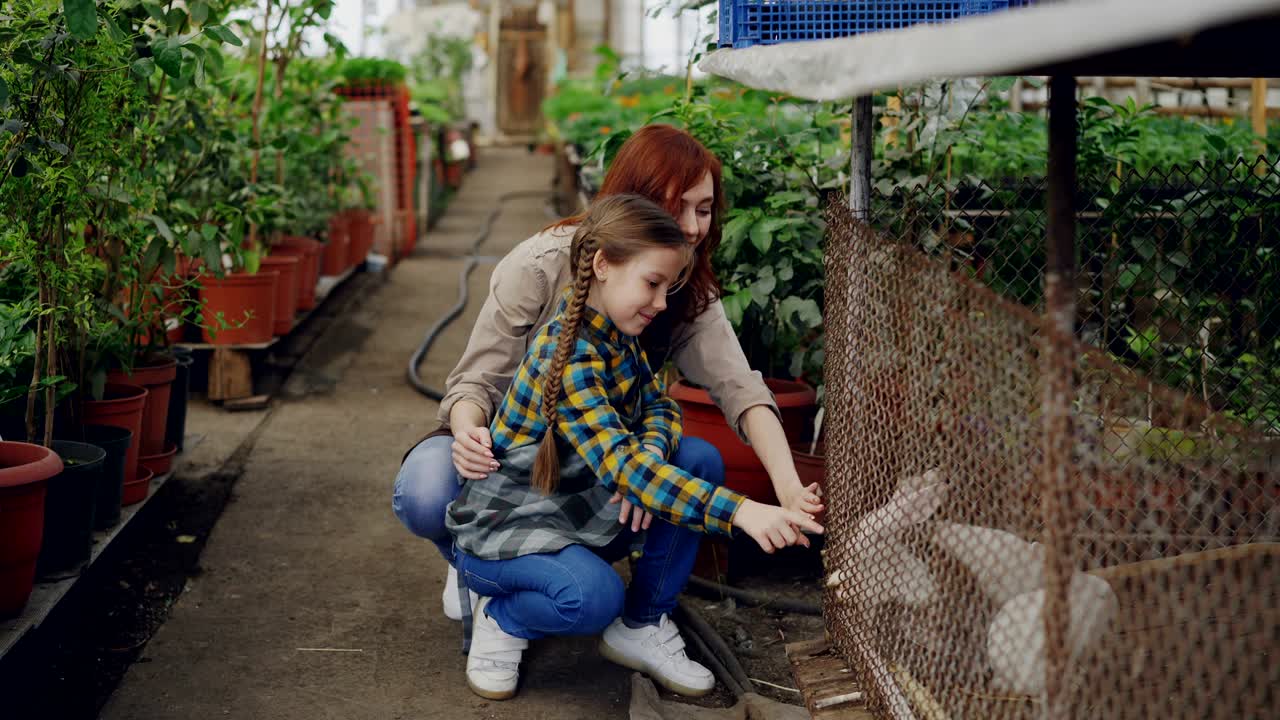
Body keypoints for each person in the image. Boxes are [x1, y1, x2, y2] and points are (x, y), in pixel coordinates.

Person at [393, 124, 824, 601]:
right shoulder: (541, 264)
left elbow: (738, 389)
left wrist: (787, 488)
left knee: (695, 460)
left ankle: (633, 617)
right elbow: (475, 380)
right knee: (426, 493)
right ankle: (480, 562)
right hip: (509, 454)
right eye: (673, 205)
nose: (691, 226)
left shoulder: (682, 286)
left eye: (702, 209)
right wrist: (468, 431)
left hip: (595, 450)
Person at [443, 194, 823, 700]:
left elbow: (661, 408)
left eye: (669, 287)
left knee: (699, 459)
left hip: (569, 512)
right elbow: (623, 469)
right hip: (506, 535)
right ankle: (503, 618)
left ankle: (642, 624)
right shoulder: (571, 355)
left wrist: (645, 458)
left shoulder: (616, 333)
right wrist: (743, 512)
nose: (662, 303)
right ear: (602, 264)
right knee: (591, 598)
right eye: (652, 283)